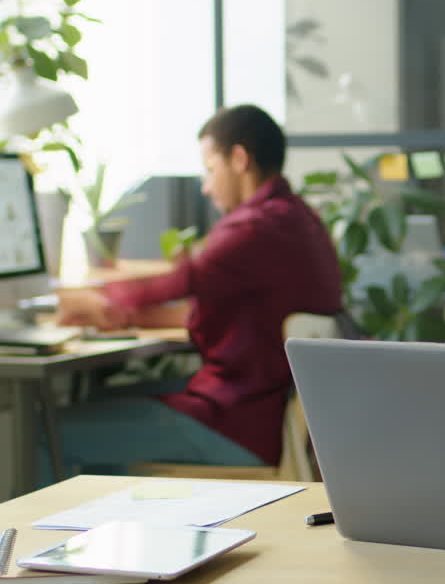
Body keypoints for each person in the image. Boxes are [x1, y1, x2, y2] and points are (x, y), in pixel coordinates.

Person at [51, 104, 343, 478]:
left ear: (238, 159)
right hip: (264, 410)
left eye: (209, 169)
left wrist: (93, 300)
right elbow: (214, 309)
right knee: (102, 403)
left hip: (238, 421)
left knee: (48, 432)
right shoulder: (299, 219)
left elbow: (178, 283)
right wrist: (119, 314)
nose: (205, 186)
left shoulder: (253, 227)